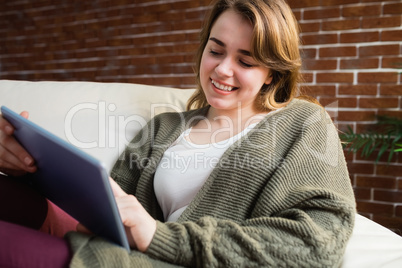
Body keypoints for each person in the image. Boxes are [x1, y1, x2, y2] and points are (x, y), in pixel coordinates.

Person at [0, 0, 356, 267]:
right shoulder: (165, 125)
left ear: (273, 73)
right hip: (116, 244)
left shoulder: (304, 122)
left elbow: (319, 244)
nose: (222, 69)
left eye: (245, 61)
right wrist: (28, 165)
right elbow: (108, 203)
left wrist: (159, 236)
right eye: (215, 50)